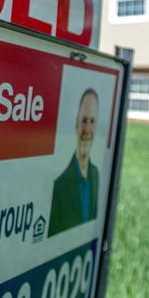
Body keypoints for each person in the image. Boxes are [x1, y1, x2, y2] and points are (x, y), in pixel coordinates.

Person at [48, 88, 99, 236]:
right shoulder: (59, 186)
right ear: (76, 125)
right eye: (84, 121)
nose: (87, 129)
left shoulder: (96, 175)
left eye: (92, 121)